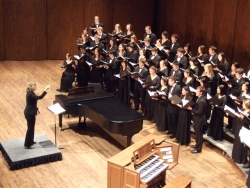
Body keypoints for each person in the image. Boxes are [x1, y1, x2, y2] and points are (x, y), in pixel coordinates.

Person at [24, 82, 50, 149]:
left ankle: (31, 141)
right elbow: (40, 97)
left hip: (30, 112)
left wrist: (37, 109)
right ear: (32, 87)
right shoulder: (30, 94)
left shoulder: (31, 93)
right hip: (29, 113)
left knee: (32, 128)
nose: (36, 87)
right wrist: (45, 90)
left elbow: (32, 103)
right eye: (35, 86)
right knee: (30, 128)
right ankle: (27, 144)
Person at [187, 86, 206, 153]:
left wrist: (192, 109)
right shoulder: (199, 98)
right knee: (197, 134)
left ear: (201, 93)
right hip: (197, 119)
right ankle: (197, 145)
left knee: (199, 135)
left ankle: (198, 149)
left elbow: (199, 112)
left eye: (197, 91)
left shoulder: (202, 101)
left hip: (199, 120)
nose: (196, 92)